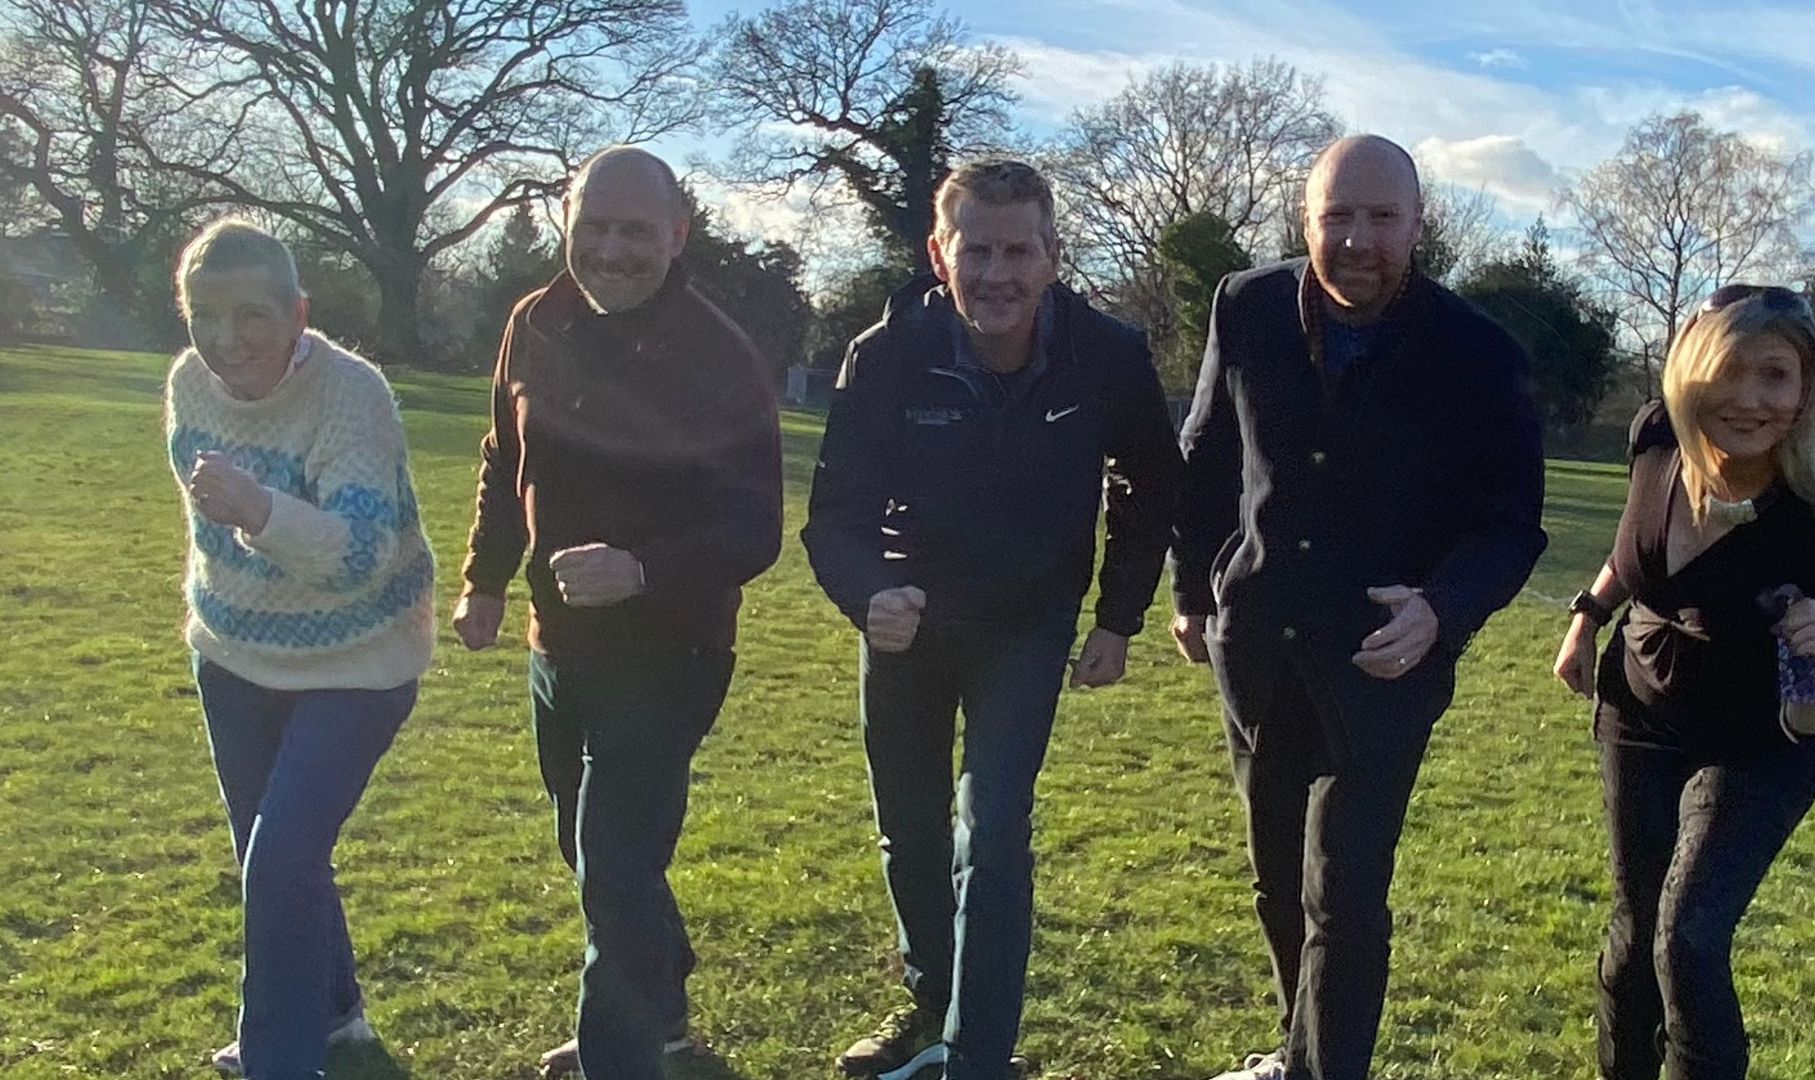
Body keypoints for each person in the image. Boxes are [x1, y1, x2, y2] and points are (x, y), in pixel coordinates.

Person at [1168, 135, 1547, 1080]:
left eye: (1382, 217)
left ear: (1419, 224)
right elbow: (1207, 457)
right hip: (1254, 643)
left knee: (1343, 888)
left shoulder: (1480, 353)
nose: (1359, 238)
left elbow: (1509, 526)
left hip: (1383, 664)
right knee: (1275, 882)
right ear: (1308, 220)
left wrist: (1441, 610)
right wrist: (1188, 593)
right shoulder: (1246, 304)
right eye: (1338, 215)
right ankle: (1304, 1056)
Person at [802, 159, 1182, 1080]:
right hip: (909, 618)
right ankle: (931, 1008)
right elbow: (834, 513)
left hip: (1028, 622)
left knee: (994, 826)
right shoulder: (885, 353)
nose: (998, 274)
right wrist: (867, 595)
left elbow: (1152, 482)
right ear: (941, 254)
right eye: (978, 249)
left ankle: (975, 1058)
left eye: (1020, 250)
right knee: (911, 829)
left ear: (1053, 257)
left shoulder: (1109, 354)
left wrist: (1118, 615)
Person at [452, 146, 783, 1080]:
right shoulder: (534, 321)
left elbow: (754, 528)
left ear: (677, 236)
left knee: (616, 860)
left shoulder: (720, 357)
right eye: (594, 225)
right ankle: (664, 1002)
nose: (611, 249)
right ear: (568, 222)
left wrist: (642, 571)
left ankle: (621, 1057)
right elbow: (498, 453)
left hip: (672, 650)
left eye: (636, 230)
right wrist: (484, 577)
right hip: (555, 646)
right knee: (585, 845)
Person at [1551, 284, 1815, 1080]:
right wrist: (1588, 614)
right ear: (1688, 373)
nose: (1747, 399)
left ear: (1806, 389)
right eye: (1726, 371)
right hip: (1640, 705)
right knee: (1635, 937)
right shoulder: (1656, 438)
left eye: (1773, 375)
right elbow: (1634, 543)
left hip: (1762, 738)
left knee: (1689, 938)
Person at [164, 218, 435, 1080]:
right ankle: (336, 1013)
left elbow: (359, 554)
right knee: (274, 852)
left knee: (280, 861)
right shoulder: (188, 383)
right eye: (204, 315)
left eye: (250, 316)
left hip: (359, 662)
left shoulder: (351, 394)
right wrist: (251, 521)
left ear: (297, 315)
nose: (224, 339)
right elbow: (204, 508)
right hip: (234, 652)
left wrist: (263, 513)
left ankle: (278, 1062)